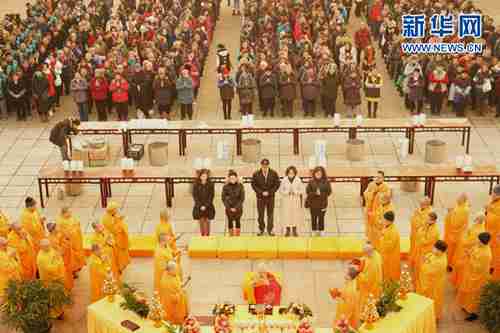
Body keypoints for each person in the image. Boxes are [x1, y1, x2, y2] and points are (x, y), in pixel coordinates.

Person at [457, 232, 492, 321]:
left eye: (478, 240)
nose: (477, 241)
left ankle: (474, 313)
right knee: (467, 292)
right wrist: (469, 252)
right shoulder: (478, 246)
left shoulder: (486, 254)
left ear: (483, 242)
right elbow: (473, 251)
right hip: (470, 273)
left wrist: (470, 256)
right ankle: (466, 306)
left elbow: (478, 268)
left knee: (474, 295)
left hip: (478, 278)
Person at [450, 213, 486, 287]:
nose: (476, 219)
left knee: (463, 269)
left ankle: (460, 284)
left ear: (482, 220)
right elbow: (467, 233)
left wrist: (467, 245)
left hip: (469, 250)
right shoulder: (474, 225)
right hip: (464, 248)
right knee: (459, 267)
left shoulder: (482, 230)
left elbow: (476, 242)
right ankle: (456, 282)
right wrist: (464, 239)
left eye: (478, 218)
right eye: (477, 217)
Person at [417, 240, 448, 320]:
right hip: (429, 281)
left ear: (441, 251)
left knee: (431, 300)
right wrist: (427, 260)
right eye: (434, 247)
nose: (434, 250)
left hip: (433, 285)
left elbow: (426, 270)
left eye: (436, 249)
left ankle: (430, 316)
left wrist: (424, 262)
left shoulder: (440, 262)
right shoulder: (438, 255)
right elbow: (429, 256)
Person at [37, 239, 66, 318]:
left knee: (59, 296)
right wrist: (58, 260)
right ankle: (56, 314)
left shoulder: (50, 250)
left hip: (58, 277)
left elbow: (57, 256)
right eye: (46, 246)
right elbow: (51, 269)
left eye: (49, 245)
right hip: (50, 280)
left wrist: (58, 259)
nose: (49, 247)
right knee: (53, 297)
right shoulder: (41, 257)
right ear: (41, 247)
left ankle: (60, 310)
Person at [251, 159, 280, 236]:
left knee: (270, 214)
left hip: (270, 198)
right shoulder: (256, 174)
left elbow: (277, 184)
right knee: (260, 215)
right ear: (261, 165)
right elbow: (253, 185)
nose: (265, 167)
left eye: (266, 166)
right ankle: (261, 229)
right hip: (260, 198)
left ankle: (270, 229)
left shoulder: (273, 173)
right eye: (263, 166)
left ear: (268, 165)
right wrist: (261, 192)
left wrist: (270, 192)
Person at [100, 201, 130, 274]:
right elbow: (114, 230)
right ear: (112, 210)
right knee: (118, 254)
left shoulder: (112, 215)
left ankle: (122, 265)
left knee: (123, 252)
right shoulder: (107, 219)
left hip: (119, 238)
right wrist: (119, 220)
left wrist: (119, 219)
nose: (117, 211)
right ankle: (119, 267)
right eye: (116, 209)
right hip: (114, 239)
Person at [414, 212, 440, 289]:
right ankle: (417, 283)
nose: (426, 220)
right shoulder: (428, 225)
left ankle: (420, 286)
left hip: (426, 252)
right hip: (421, 250)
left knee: (422, 269)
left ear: (433, 221)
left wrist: (420, 233)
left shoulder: (434, 231)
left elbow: (425, 241)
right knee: (418, 267)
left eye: (428, 219)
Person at [444, 193, 470, 272]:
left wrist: (451, 213)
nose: (457, 199)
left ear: (463, 200)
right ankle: (448, 263)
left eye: (459, 198)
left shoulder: (464, 210)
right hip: (452, 233)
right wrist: (450, 212)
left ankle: (450, 265)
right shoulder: (458, 206)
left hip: (456, 234)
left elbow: (456, 223)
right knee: (450, 250)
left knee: (454, 251)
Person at [56, 207, 86, 274]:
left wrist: (76, 227)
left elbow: (77, 224)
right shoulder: (60, 221)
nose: (70, 213)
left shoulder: (71, 217)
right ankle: (72, 271)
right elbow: (61, 233)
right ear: (64, 213)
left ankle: (78, 266)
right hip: (69, 243)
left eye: (70, 212)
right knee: (71, 257)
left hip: (77, 241)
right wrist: (71, 233)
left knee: (78, 254)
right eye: (69, 212)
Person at [363, 171, 391, 241]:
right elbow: (365, 194)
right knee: (370, 224)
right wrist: (372, 193)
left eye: (379, 177)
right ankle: (370, 238)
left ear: (383, 178)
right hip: (370, 209)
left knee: (378, 225)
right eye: (376, 177)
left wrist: (379, 195)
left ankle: (378, 239)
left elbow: (387, 198)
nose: (377, 178)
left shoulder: (386, 187)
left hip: (379, 211)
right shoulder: (371, 185)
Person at [305, 166, 332, 236]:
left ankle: (321, 230)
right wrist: (315, 193)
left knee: (321, 218)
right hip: (313, 204)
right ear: (314, 174)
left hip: (322, 203)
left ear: (323, 174)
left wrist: (321, 194)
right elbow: (308, 192)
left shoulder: (326, 182)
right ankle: (313, 230)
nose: (318, 175)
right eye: (317, 174)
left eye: (320, 174)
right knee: (313, 217)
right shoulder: (311, 182)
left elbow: (329, 192)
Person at [46, 223, 73, 291]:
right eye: (56, 228)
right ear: (52, 230)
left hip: (66, 260)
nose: (58, 228)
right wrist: (66, 242)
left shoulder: (57, 235)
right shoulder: (52, 240)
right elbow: (60, 252)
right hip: (61, 261)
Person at [279, 166, 305, 236]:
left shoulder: (298, 180)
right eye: (289, 173)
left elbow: (302, 190)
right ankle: (287, 230)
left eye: (292, 173)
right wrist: (287, 192)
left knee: (295, 215)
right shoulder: (284, 180)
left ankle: (294, 229)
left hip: (295, 200)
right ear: (287, 173)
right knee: (287, 215)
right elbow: (281, 190)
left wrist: (295, 192)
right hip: (286, 200)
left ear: (295, 173)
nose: (291, 174)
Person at [357, 242, 382, 311]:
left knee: (367, 308)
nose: (364, 255)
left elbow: (366, 280)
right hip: (377, 286)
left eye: (365, 253)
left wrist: (358, 273)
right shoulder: (377, 255)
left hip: (369, 291)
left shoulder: (371, 264)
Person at [409, 197, 432, 269]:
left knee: (417, 251)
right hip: (414, 233)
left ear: (427, 205)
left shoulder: (429, 214)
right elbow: (413, 218)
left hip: (420, 236)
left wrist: (416, 220)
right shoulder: (418, 210)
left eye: (422, 204)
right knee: (413, 248)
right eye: (420, 204)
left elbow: (423, 225)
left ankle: (416, 264)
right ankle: (412, 261)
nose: (420, 205)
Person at [192, 169, 216, 236]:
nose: (204, 177)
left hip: (208, 206)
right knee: (201, 222)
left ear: (207, 176)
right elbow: (195, 196)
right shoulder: (196, 185)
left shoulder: (211, 184)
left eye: (205, 176)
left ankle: (208, 235)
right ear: (200, 176)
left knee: (208, 221)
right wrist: (200, 206)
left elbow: (211, 196)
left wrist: (205, 206)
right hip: (199, 207)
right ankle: (202, 236)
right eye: (202, 176)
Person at [379, 211, 400, 281]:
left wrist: (382, 240)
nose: (382, 221)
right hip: (385, 256)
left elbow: (390, 246)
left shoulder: (394, 231)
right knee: (385, 274)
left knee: (391, 276)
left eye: (384, 219)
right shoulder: (386, 227)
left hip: (391, 258)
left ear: (389, 221)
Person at [222, 170, 245, 236]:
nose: (232, 179)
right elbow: (223, 198)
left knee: (238, 221)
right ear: (229, 179)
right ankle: (231, 235)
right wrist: (229, 208)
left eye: (234, 178)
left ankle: (237, 235)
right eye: (231, 178)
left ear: (236, 178)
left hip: (238, 209)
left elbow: (242, 198)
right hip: (229, 209)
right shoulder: (225, 187)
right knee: (230, 221)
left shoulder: (240, 186)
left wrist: (236, 207)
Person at [486, 184, 500, 280]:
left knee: (495, 252)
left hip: (496, 234)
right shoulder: (494, 202)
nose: (492, 196)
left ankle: (493, 267)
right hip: (489, 231)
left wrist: (491, 210)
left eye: (494, 194)